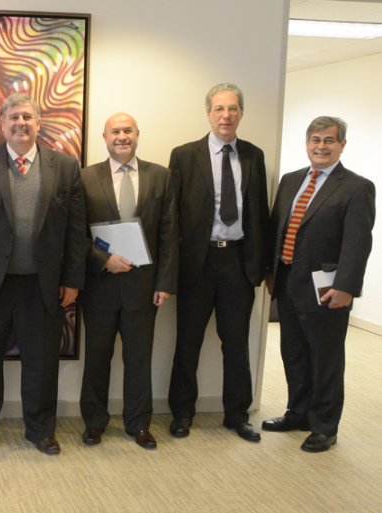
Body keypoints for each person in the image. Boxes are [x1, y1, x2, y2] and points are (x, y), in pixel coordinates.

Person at [0, 92, 87, 455]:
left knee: (41, 362)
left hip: (43, 285)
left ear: (38, 123)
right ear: (2, 124)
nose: (20, 123)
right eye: (13, 117)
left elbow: (77, 230)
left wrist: (72, 279)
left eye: (27, 117)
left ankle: (41, 430)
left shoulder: (65, 167)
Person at [264, 116, 374, 452]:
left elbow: (357, 243)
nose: (321, 146)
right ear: (307, 143)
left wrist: (346, 287)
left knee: (326, 359)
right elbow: (277, 227)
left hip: (327, 289)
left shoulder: (356, 187)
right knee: (294, 354)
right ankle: (298, 413)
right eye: (315, 139)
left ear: (342, 145)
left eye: (329, 140)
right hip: (287, 282)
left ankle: (325, 426)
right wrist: (270, 271)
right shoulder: (291, 180)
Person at [167, 83, 270, 442]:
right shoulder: (184, 155)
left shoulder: (254, 156)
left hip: (238, 262)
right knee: (188, 342)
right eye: (219, 109)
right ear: (208, 113)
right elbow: (171, 217)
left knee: (237, 344)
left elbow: (260, 214)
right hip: (197, 263)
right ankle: (182, 413)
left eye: (233, 109)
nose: (226, 115)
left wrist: (263, 267)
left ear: (241, 113)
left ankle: (237, 414)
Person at [78, 113, 178, 449]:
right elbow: (75, 233)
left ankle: (139, 424)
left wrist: (165, 283)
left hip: (144, 287)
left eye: (128, 130)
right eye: (115, 131)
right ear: (104, 137)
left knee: (139, 359)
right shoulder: (85, 177)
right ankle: (94, 422)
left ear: (137, 134)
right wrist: (103, 259)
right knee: (97, 358)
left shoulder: (161, 176)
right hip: (100, 285)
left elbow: (169, 234)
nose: (122, 136)